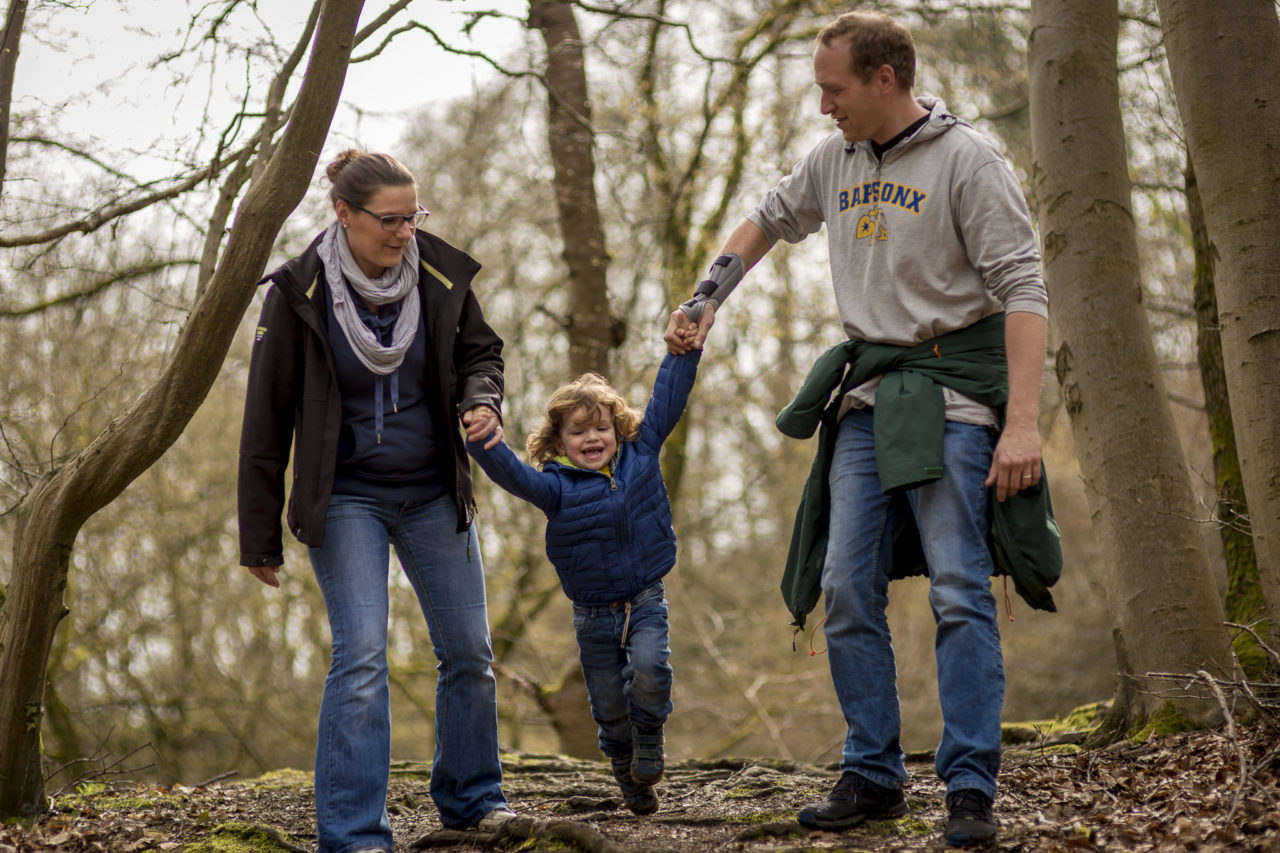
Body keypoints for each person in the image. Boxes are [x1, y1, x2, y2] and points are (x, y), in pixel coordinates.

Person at [665, 11, 1049, 848]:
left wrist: (1022, 424)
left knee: (957, 586)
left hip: (953, 399)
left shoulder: (968, 162)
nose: (823, 106)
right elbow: (766, 219)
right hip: (869, 398)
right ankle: (873, 770)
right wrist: (706, 296)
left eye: (833, 90)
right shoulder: (830, 159)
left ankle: (970, 784)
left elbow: (1024, 290)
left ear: (884, 80)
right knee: (843, 588)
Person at [238, 149, 515, 852]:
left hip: (431, 491)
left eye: (412, 216)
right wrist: (258, 535)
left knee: (470, 652)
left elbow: (482, 352)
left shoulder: (439, 271)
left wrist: (483, 402)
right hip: (347, 498)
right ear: (344, 214)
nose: (404, 232)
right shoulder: (296, 293)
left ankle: (475, 799)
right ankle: (356, 834)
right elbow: (266, 419)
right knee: (361, 656)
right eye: (389, 220)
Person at [465, 342, 701, 816]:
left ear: (618, 428)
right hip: (593, 614)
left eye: (601, 427)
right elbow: (512, 474)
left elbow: (668, 397)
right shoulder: (555, 487)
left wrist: (684, 352)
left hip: (644, 597)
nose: (592, 437)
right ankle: (625, 772)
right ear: (558, 442)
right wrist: (481, 441)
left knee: (652, 671)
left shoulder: (642, 452)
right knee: (610, 707)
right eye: (578, 432)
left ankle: (651, 734)